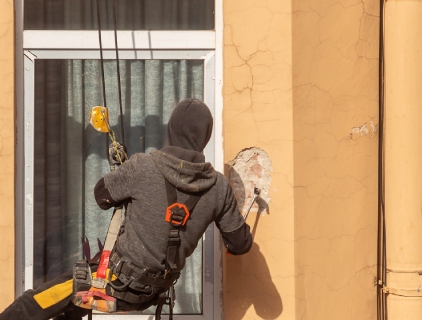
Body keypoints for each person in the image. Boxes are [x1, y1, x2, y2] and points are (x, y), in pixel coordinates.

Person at [0, 98, 252, 320]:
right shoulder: (219, 187)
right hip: (149, 296)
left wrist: (123, 173)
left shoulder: (142, 166)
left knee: (33, 303)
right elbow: (240, 244)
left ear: (170, 130)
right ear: (205, 136)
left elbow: (101, 196)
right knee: (71, 310)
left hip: (112, 289)